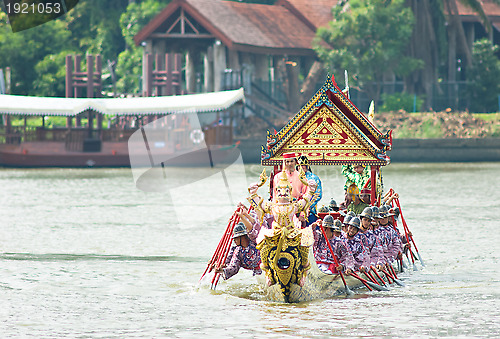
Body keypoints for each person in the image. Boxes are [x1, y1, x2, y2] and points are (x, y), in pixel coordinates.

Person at [248, 170, 317, 286]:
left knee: (304, 245)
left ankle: (303, 274)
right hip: (276, 232)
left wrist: (311, 190)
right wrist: (253, 193)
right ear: (276, 191)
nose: (283, 193)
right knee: (263, 245)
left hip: (291, 232)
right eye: (279, 190)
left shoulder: (294, 206)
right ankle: (268, 273)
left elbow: (306, 201)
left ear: (290, 191)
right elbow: (260, 204)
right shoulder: (272, 206)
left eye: (286, 190)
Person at [297, 155, 323, 224]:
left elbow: (318, 195)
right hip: (296, 210)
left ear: (307, 166)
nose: (302, 167)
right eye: (300, 165)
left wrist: (306, 206)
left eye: (304, 165)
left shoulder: (314, 178)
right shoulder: (295, 177)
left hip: (310, 210)